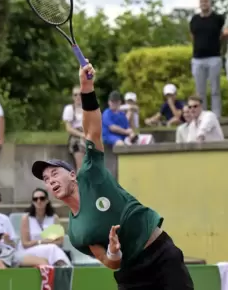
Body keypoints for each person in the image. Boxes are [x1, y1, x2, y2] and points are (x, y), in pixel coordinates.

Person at [31, 62, 194, 289]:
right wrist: (113, 251)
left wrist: (86, 87)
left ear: (72, 174)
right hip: (130, 273)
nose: (50, 180)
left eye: (54, 173)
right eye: (46, 180)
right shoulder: (77, 233)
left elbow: (92, 131)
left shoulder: (90, 173)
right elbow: (109, 262)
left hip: (160, 254)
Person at [189, 0, 224, 118]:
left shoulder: (218, 18)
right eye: (202, 1)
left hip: (214, 57)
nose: (204, 3)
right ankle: (202, 116)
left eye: (206, 1)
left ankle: (216, 116)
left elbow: (222, 35)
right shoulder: (194, 19)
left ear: (210, 3)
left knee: (215, 89)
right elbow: (192, 36)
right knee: (200, 91)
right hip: (198, 58)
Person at [18, 188, 71, 266]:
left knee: (52, 248)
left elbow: (60, 242)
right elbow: (25, 244)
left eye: (42, 198)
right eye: (35, 199)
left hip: (48, 250)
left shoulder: (54, 218)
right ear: (33, 202)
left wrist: (40, 242)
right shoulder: (26, 218)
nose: (39, 201)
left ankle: (64, 268)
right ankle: (66, 267)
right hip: (28, 251)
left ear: (47, 201)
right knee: (52, 248)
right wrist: (42, 242)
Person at [62, 86, 85, 171]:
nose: (78, 97)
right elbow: (69, 128)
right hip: (76, 137)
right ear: (73, 97)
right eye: (75, 95)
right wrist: (82, 135)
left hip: (87, 136)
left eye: (80, 94)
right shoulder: (69, 109)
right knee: (81, 167)